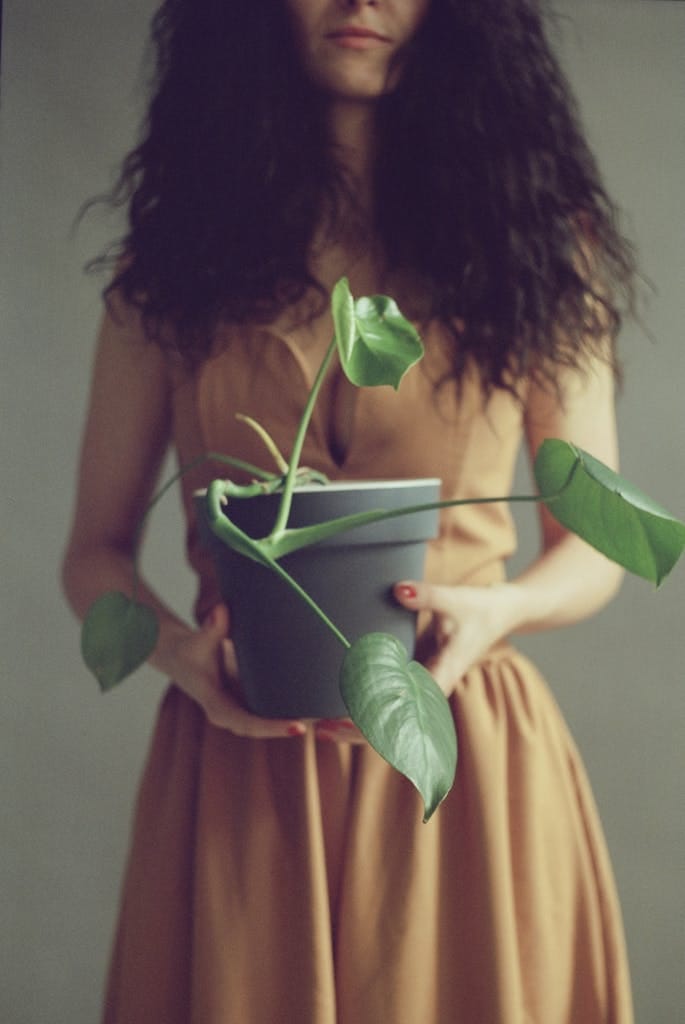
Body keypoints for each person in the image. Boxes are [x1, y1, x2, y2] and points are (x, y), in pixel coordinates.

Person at [62, 1, 638, 1020]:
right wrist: (181, 657)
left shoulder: (536, 248)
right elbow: (95, 552)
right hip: (244, 755)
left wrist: (494, 611)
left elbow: (592, 551)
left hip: (460, 755)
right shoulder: (175, 258)